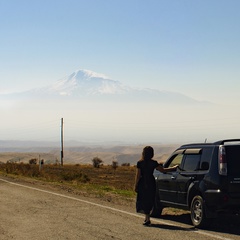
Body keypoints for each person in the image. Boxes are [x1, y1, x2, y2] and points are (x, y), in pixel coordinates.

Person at [134, 146, 178, 226]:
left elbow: (138, 175)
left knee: (143, 199)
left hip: (142, 183)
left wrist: (136, 185)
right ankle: (147, 218)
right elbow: (163, 170)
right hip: (151, 182)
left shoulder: (140, 163)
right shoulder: (154, 163)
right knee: (150, 199)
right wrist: (173, 168)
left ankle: (146, 218)